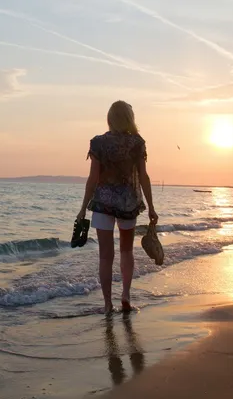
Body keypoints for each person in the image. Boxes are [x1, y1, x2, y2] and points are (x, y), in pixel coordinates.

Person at [77, 100, 158, 314]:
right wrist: (151, 206)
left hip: (102, 203)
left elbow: (93, 178)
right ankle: (126, 296)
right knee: (126, 252)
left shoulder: (98, 143)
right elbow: (143, 177)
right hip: (128, 204)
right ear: (130, 119)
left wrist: (83, 207)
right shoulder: (137, 143)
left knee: (105, 256)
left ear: (110, 119)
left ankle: (107, 304)